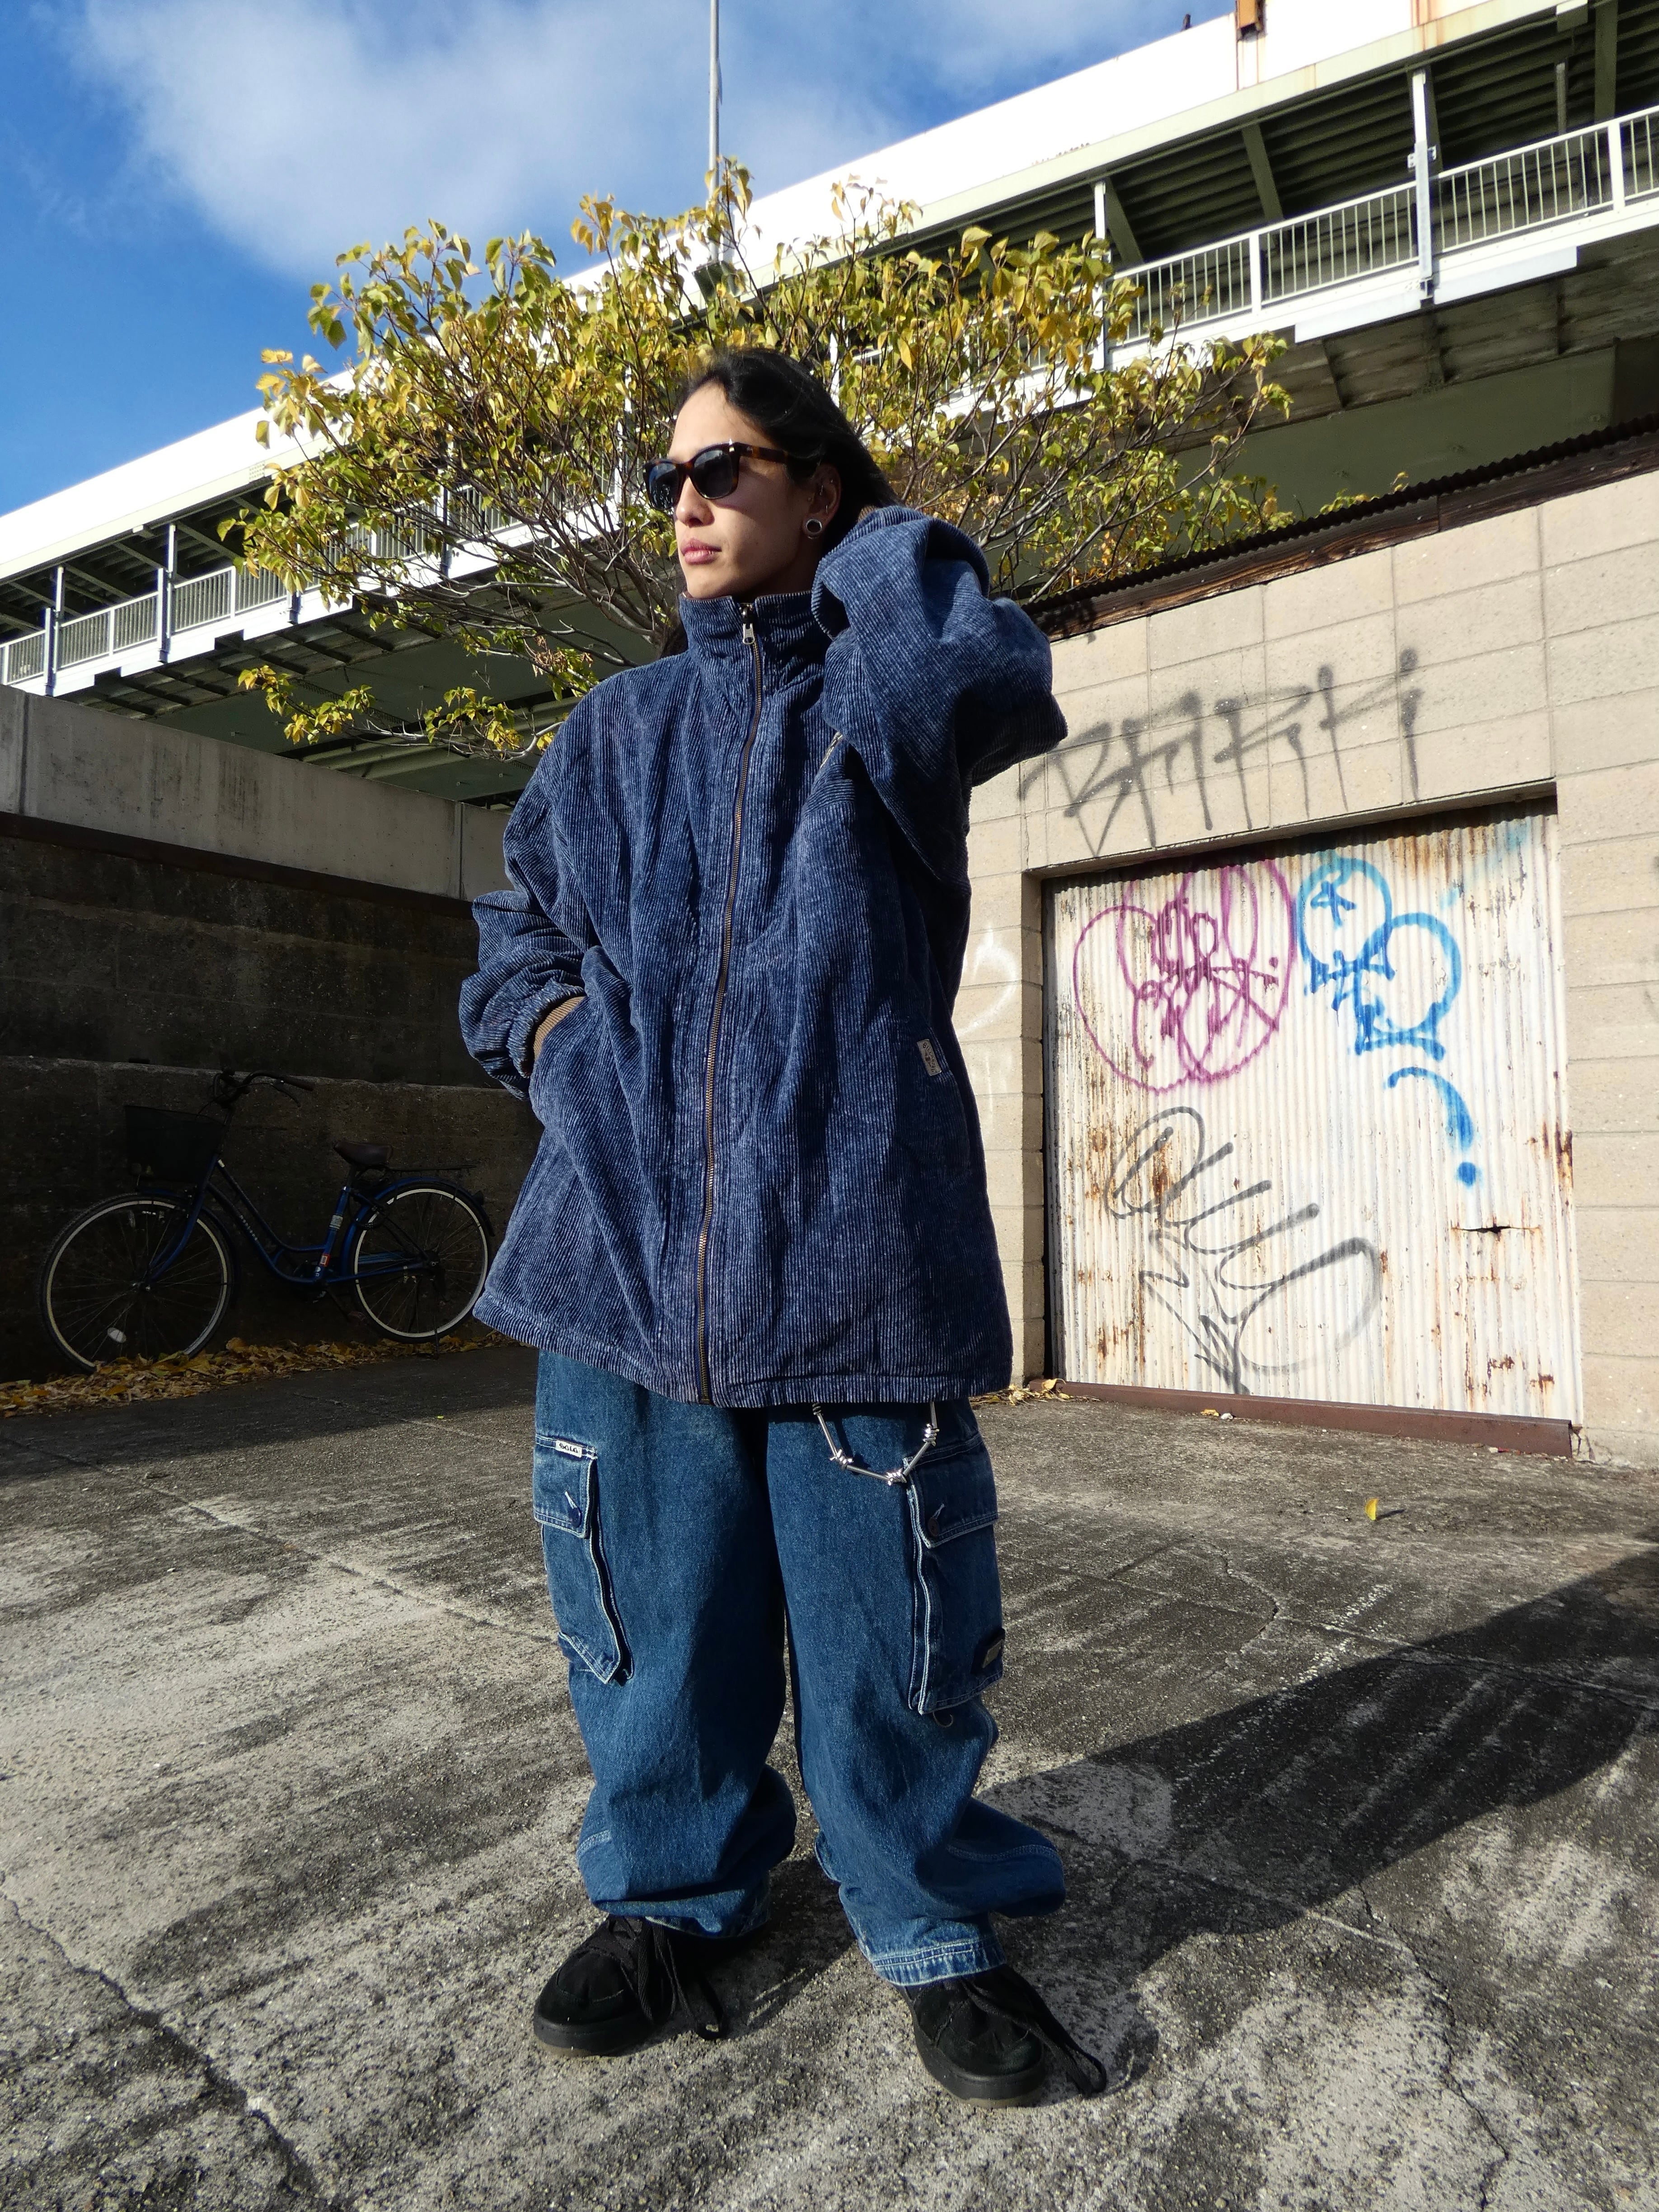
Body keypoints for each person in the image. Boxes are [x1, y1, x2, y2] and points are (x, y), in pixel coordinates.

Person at [459, 346, 1105, 2105]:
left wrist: (873, 535)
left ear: (817, 492)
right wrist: (562, 1045)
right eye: (666, 477)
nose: (683, 503)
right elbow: (514, 936)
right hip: (620, 1257)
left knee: (892, 1633)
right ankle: (674, 1901)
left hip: (856, 1251)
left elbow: (986, 673)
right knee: (655, 1636)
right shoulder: (612, 731)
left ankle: (932, 1920)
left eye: (725, 467)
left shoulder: (881, 707)